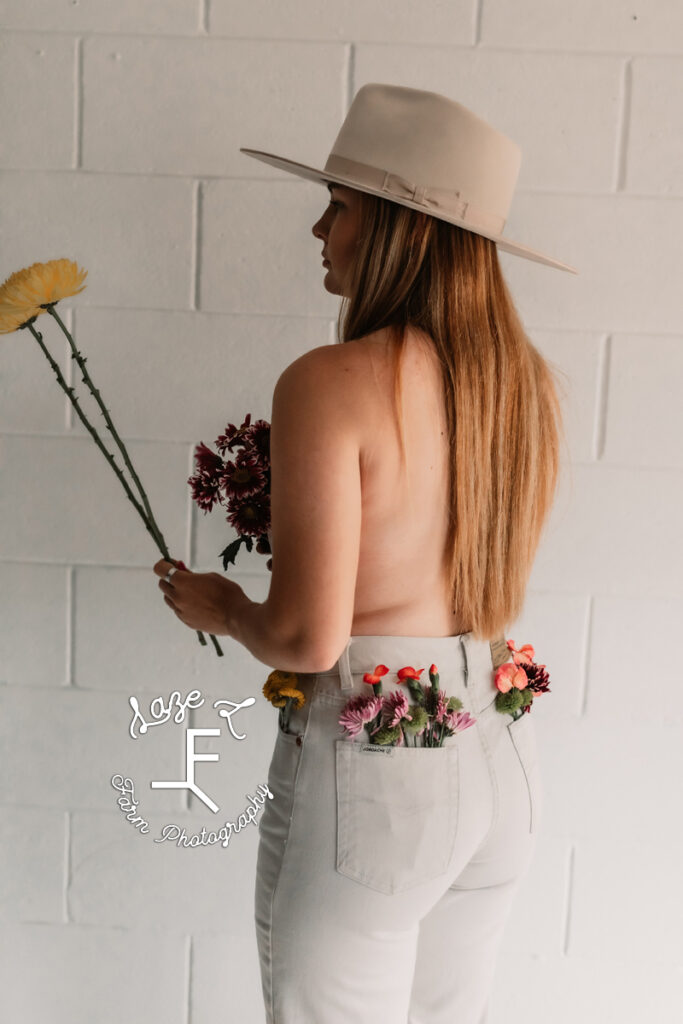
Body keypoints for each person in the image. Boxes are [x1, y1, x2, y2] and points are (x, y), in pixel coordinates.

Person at [153, 84, 577, 1023]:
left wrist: (220, 605)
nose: (318, 227)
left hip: (381, 772)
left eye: (339, 207)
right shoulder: (523, 389)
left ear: (401, 230)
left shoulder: (333, 382)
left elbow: (307, 637)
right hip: (498, 753)